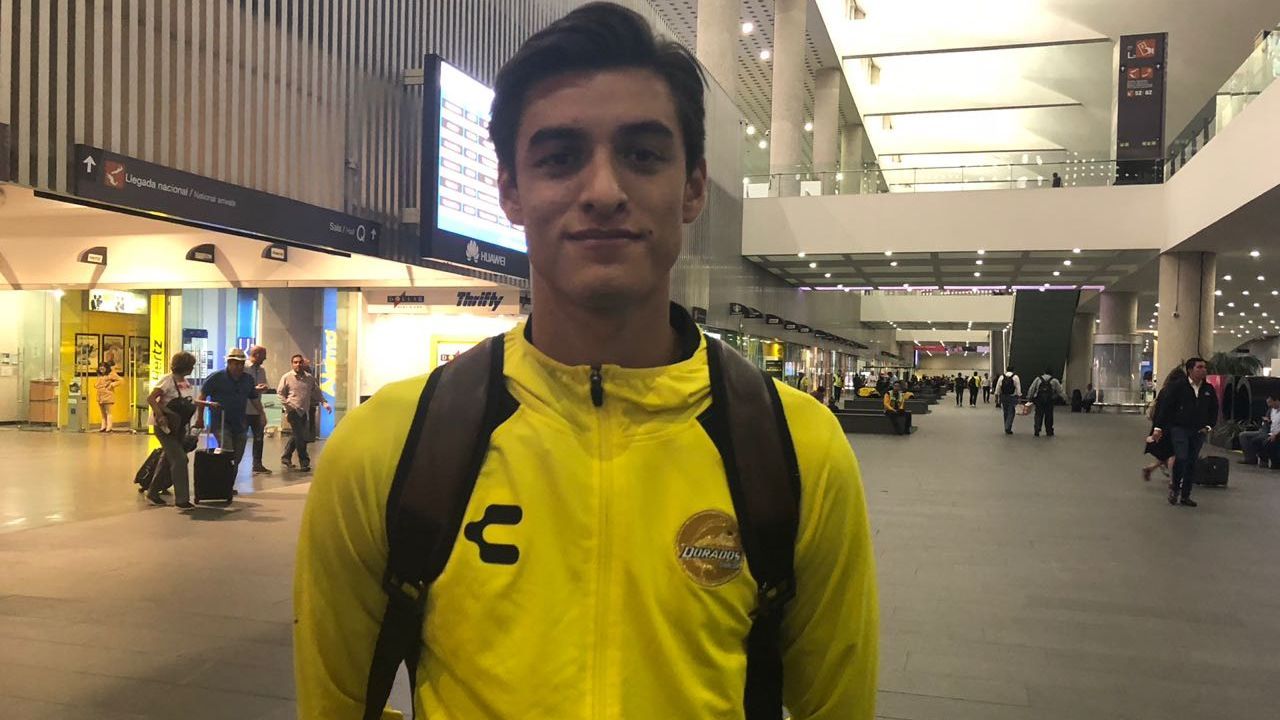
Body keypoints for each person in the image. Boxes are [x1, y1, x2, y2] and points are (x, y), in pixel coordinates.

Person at [294, 5, 877, 718]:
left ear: (692, 187)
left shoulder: (797, 454)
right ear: (511, 189)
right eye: (561, 157)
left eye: (641, 154)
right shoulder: (387, 450)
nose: (603, 191)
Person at [144, 351, 210, 509]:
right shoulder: (167, 380)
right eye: (191, 365)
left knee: (168, 458)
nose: (193, 368)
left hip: (179, 426)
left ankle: (153, 492)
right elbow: (151, 398)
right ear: (185, 366)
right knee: (180, 459)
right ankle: (182, 499)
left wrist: (207, 405)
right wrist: (160, 415)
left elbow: (185, 401)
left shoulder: (185, 382)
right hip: (165, 427)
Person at [1152, 357, 1219, 507]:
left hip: (1199, 431)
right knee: (1181, 457)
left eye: (1204, 368)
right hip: (1180, 428)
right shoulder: (1178, 387)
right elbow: (1166, 408)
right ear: (1190, 370)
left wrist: (1209, 426)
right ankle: (1175, 488)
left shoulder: (1208, 389)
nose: (1203, 370)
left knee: (1191, 462)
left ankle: (1185, 495)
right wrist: (1158, 428)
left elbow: (1214, 409)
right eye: (1199, 367)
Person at [196, 347, 260, 477]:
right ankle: (221, 483)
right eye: (236, 363)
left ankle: (228, 486)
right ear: (229, 363)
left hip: (240, 424)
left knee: (237, 457)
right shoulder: (216, 378)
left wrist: (262, 415)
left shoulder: (248, 379)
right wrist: (200, 418)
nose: (239, 367)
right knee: (227, 451)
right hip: (220, 423)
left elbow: (254, 399)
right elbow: (201, 398)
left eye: (241, 364)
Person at [278, 354, 331, 473]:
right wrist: (287, 405)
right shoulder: (286, 377)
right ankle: (304, 462)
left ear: (303, 364)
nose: (298, 364)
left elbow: (317, 392)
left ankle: (286, 457)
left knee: (298, 435)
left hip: (303, 411)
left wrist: (324, 402)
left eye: (300, 362)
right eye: (295, 362)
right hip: (293, 411)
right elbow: (280, 393)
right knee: (301, 437)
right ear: (292, 364)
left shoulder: (309, 378)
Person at [1142, 367, 1184, 482]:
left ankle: (1150, 468)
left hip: (1160, 425)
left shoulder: (1164, 390)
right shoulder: (1176, 391)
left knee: (1166, 453)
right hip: (1170, 426)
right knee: (1174, 453)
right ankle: (1174, 480)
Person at [245, 345, 273, 475]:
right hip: (244, 410)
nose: (265, 358)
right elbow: (244, 388)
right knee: (241, 438)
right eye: (263, 355)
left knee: (259, 438)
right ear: (256, 354)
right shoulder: (244, 368)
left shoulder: (262, 370)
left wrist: (265, 387)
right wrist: (254, 389)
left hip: (257, 410)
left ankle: (257, 464)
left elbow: (263, 385)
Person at [1237, 394, 1280, 468]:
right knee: (1243, 436)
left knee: (1263, 440)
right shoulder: (1270, 411)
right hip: (1266, 431)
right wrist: (1266, 422)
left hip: (1276, 434)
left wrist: (1275, 435)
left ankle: (1271, 461)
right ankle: (1250, 458)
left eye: (1271, 403)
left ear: (1276, 401)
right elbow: (1266, 423)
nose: (1270, 405)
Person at [1025, 368, 1066, 437]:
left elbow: (1032, 388)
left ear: (1044, 372)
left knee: (1038, 414)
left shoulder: (1038, 379)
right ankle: (1049, 430)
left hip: (1039, 400)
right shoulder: (1054, 380)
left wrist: (1029, 397)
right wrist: (1065, 398)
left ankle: (1037, 429)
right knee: (1049, 415)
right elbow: (1060, 391)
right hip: (1050, 401)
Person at [94, 364, 122, 433]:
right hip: (100, 395)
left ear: (106, 368)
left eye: (103, 367)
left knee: (108, 412)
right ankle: (103, 426)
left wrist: (112, 385)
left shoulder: (111, 374)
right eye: (100, 367)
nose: (101, 368)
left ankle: (109, 427)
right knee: (103, 413)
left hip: (108, 395)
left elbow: (120, 380)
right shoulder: (100, 376)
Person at [995, 367, 1021, 434]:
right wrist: (1019, 396)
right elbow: (1018, 387)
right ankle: (1008, 427)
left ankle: (1006, 426)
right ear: (1013, 370)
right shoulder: (1015, 377)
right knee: (1011, 412)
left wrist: (996, 396)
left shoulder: (1001, 377)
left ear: (1006, 370)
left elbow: (998, 387)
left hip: (1003, 396)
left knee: (1005, 412)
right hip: (1012, 397)